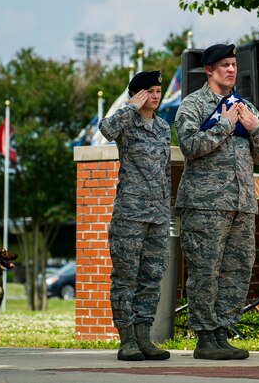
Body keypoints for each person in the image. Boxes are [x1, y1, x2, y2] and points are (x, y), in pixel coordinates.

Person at [174, 43, 259, 360]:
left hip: (242, 204)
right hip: (205, 205)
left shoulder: (245, 107)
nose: (231, 70)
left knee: (238, 270)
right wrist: (226, 123)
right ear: (208, 70)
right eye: (224, 66)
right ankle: (204, 337)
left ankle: (221, 333)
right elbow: (189, 145)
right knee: (206, 271)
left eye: (233, 64)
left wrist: (256, 130)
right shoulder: (193, 105)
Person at [99, 71, 172, 362]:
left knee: (151, 278)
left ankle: (144, 338)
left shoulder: (163, 127)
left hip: (158, 214)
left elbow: (165, 171)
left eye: (158, 91)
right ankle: (127, 339)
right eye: (150, 91)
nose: (155, 96)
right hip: (130, 214)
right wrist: (130, 106)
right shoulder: (126, 123)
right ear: (138, 94)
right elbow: (105, 129)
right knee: (126, 278)